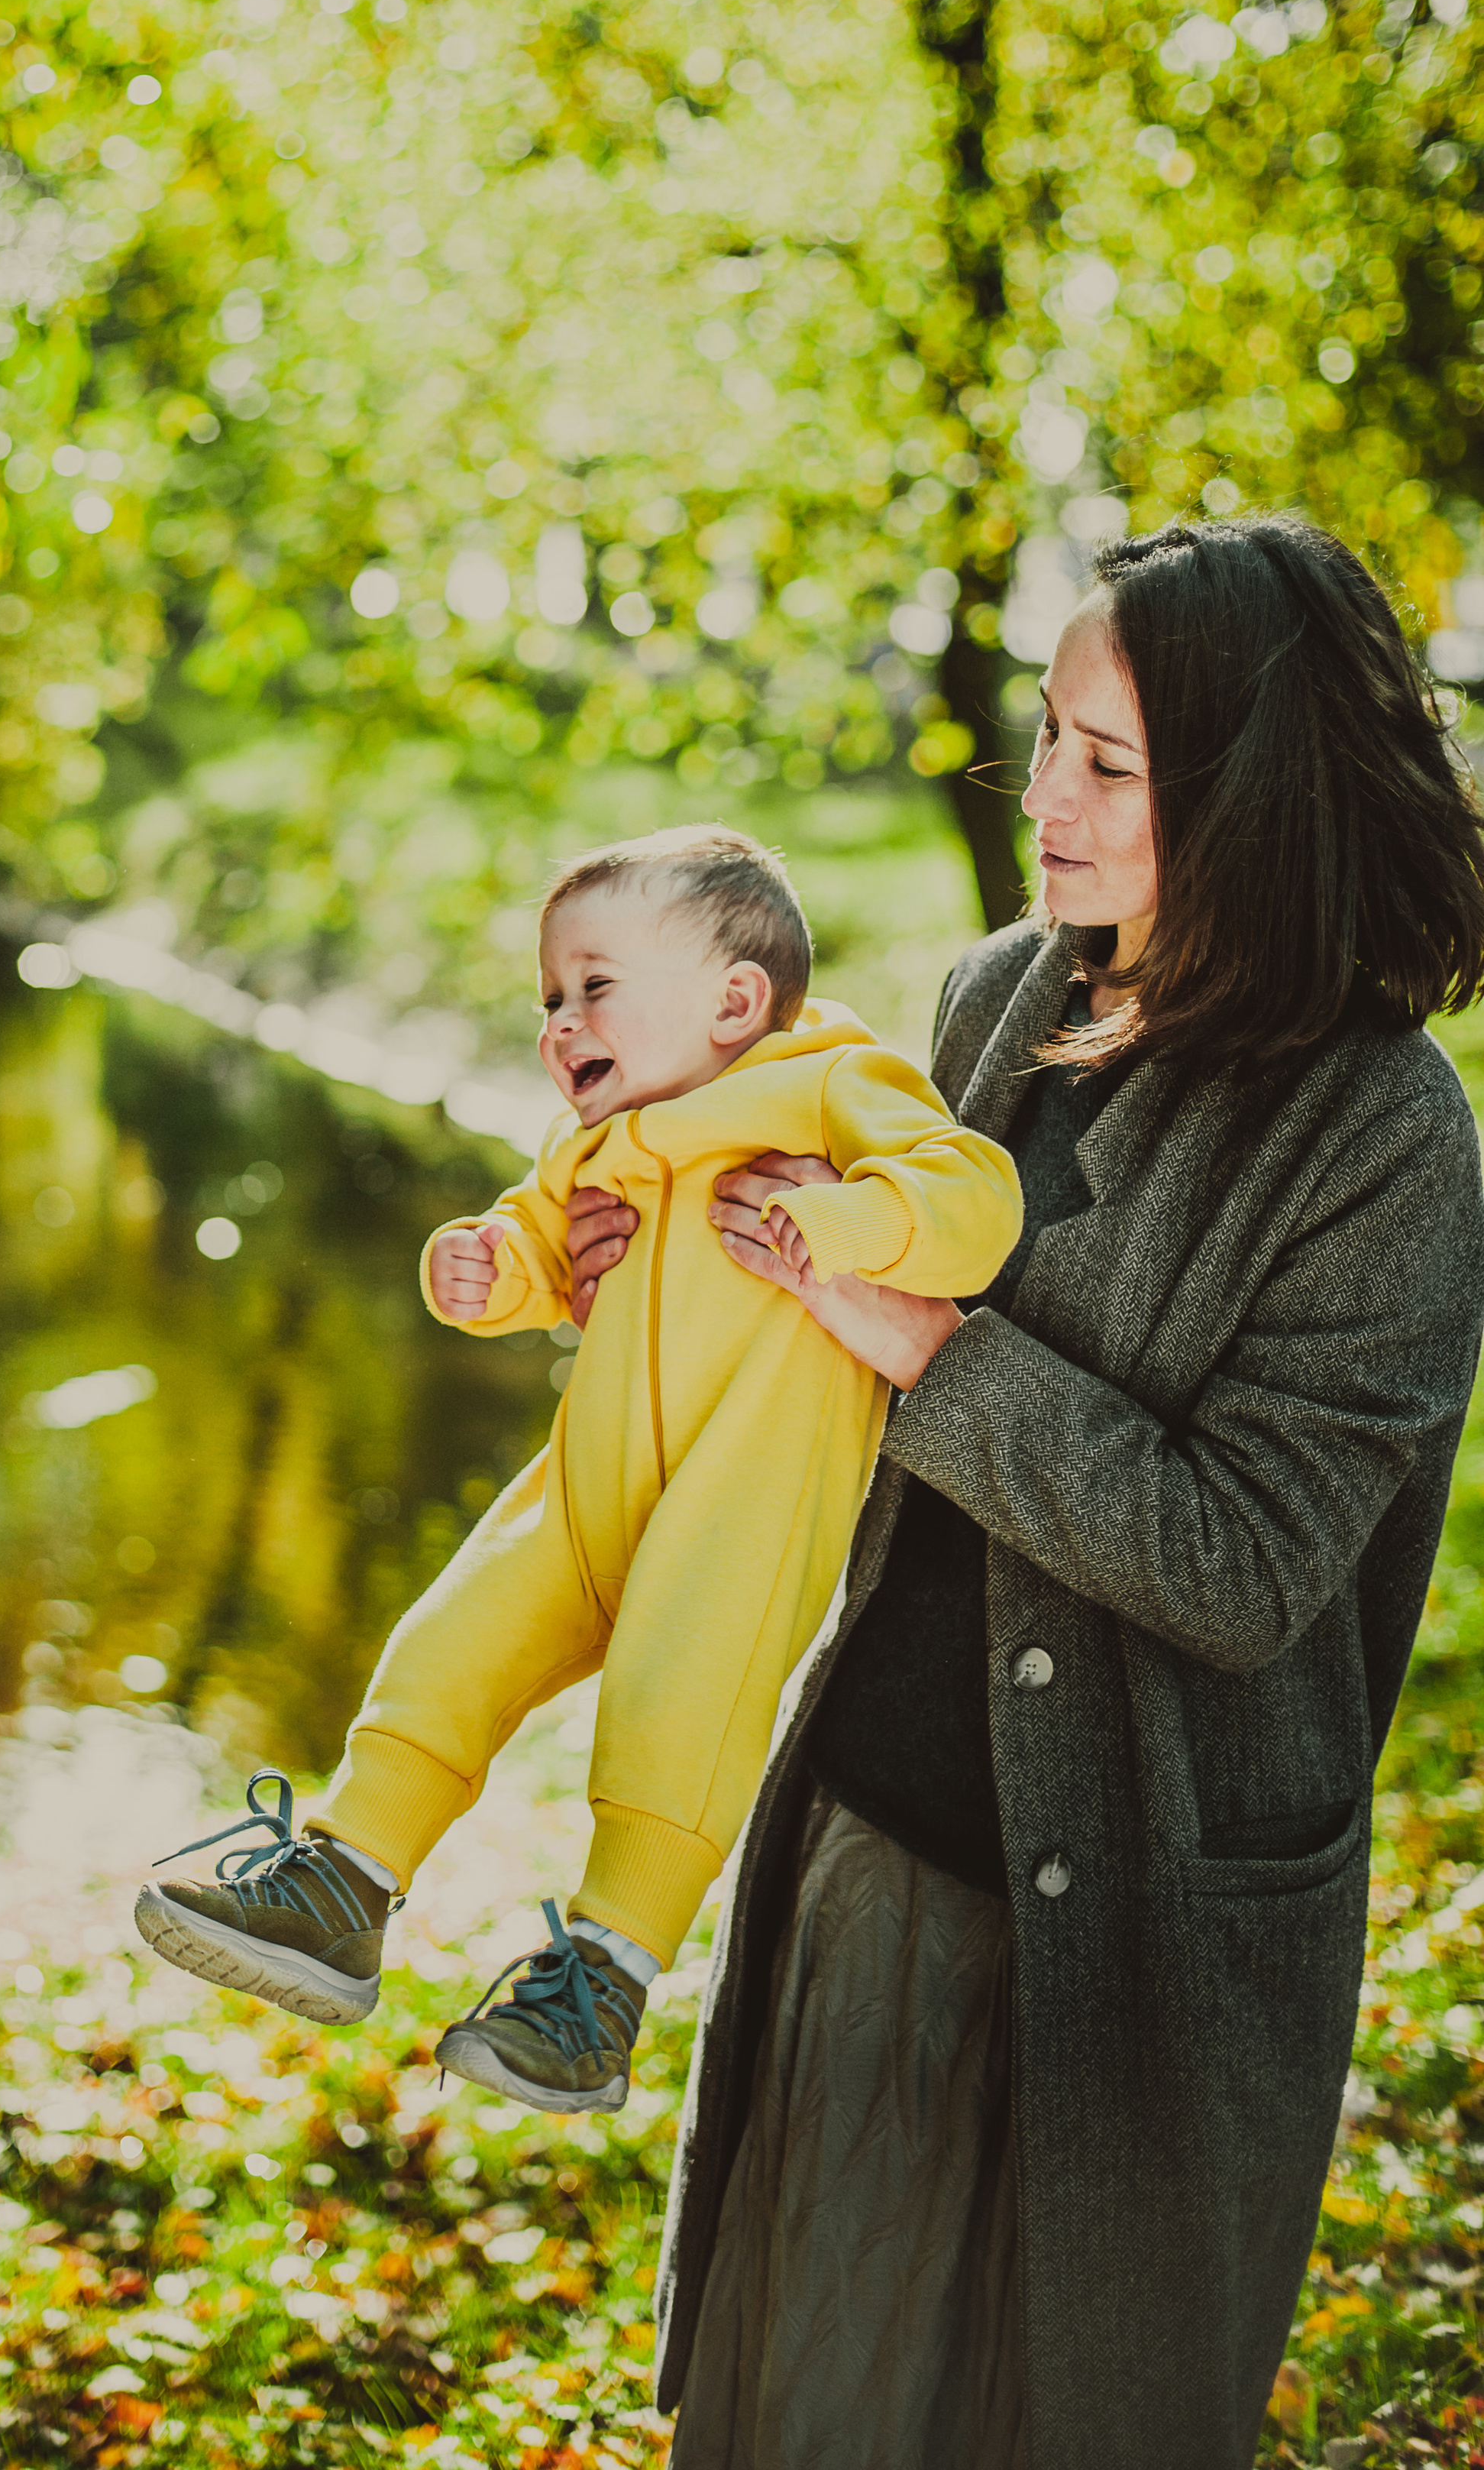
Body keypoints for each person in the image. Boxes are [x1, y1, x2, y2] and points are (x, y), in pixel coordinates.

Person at [560, 516, 1484, 2470]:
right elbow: (808, 1313)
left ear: (1249, 796)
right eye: (1045, 740)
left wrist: (924, 1346)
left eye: (1103, 764)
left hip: (1129, 1948)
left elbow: (1241, 1565)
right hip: (866, 1854)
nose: (1038, 795)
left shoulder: (1386, 1140)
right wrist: (654, 1274)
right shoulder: (999, 994)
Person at [136, 827, 1023, 2114]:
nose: (559, 1025)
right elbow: (540, 1242)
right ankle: (343, 1880)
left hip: (737, 1506)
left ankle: (599, 1977)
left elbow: (971, 1197)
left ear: (733, 998)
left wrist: (849, 1221)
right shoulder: (599, 1140)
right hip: (583, 1497)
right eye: (549, 1000)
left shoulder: (833, 1084)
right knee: (449, 1644)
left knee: (677, 1717)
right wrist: (486, 1269)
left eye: (592, 986)